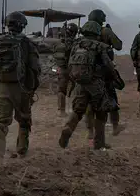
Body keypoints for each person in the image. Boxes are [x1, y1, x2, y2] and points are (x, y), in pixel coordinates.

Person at [0, 11, 41, 167]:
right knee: (24, 120)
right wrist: (31, 88)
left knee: (0, 123)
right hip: (21, 88)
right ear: (22, 25)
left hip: (1, 87)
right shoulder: (27, 43)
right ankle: (22, 152)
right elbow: (35, 68)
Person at [58, 21, 117, 150]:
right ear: (96, 32)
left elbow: (69, 64)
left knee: (78, 111)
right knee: (101, 112)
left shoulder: (76, 45)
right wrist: (113, 77)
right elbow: (108, 65)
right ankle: (99, 143)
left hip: (79, 84)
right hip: (96, 85)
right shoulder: (100, 46)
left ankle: (67, 129)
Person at [84, 9, 125, 143]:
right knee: (111, 98)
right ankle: (115, 126)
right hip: (104, 70)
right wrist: (110, 32)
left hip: (89, 71)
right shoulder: (105, 31)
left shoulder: (85, 33)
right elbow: (118, 46)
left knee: (90, 101)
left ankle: (90, 131)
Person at [52, 22, 78, 116]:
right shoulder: (76, 44)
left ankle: (61, 110)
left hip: (62, 69)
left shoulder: (59, 43)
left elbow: (55, 55)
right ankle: (74, 109)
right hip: (73, 69)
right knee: (76, 89)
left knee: (61, 89)